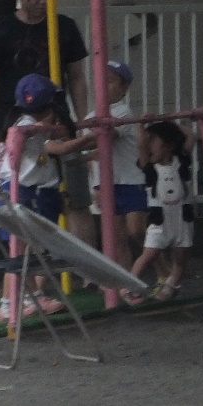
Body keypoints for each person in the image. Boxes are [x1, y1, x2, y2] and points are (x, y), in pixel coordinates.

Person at [0, 0, 95, 246]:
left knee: (76, 195)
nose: (43, 2)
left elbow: (77, 78)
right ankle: (24, 258)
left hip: (58, 121)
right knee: (19, 195)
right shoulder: (2, 30)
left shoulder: (64, 27)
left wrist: (82, 121)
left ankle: (84, 265)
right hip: (15, 126)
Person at [0, 73, 75, 321]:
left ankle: (32, 296)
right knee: (19, 251)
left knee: (27, 251)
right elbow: (54, 145)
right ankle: (8, 304)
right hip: (20, 192)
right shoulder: (28, 126)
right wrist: (85, 140)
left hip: (25, 191)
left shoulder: (26, 122)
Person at [57, 60, 149, 271]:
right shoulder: (91, 117)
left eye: (110, 82)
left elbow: (101, 139)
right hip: (107, 184)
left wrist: (65, 146)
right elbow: (94, 154)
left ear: (124, 88)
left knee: (136, 231)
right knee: (117, 238)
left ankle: (159, 263)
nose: (103, 87)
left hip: (131, 180)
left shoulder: (123, 113)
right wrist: (96, 184)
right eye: (100, 82)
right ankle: (126, 281)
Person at [121, 119, 195, 304]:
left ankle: (171, 286)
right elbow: (140, 144)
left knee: (181, 260)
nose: (147, 146)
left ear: (169, 145)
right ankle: (129, 288)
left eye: (153, 141)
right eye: (146, 142)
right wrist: (141, 125)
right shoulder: (150, 168)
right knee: (148, 256)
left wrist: (166, 120)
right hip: (160, 222)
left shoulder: (181, 161)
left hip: (182, 220)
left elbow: (190, 135)